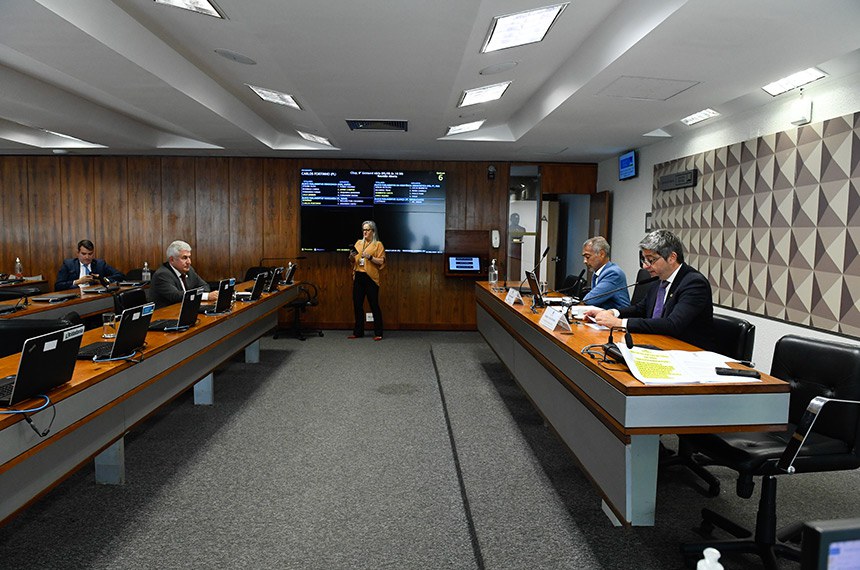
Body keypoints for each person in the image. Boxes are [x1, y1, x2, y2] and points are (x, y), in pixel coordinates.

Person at [585, 229, 716, 351]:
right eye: (643, 259)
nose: (645, 266)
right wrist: (612, 312)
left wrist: (620, 323)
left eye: (651, 260)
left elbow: (672, 324)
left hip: (686, 352)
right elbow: (640, 309)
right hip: (656, 344)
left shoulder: (694, 283)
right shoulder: (658, 280)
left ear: (672, 257)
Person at [150, 240, 218, 309]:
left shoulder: (188, 270)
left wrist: (199, 294)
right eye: (184, 258)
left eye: (189, 257)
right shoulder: (162, 274)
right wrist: (206, 296)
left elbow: (205, 286)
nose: (189, 262)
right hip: (166, 315)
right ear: (172, 260)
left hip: (185, 310)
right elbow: (176, 296)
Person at [348, 221, 385, 340]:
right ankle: (358, 332)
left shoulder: (378, 245)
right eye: (364, 229)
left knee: (374, 305)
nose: (365, 232)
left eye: (368, 230)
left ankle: (378, 333)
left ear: (373, 232)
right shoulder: (358, 243)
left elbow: (381, 261)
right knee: (357, 304)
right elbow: (352, 261)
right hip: (358, 276)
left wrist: (370, 257)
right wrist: (351, 257)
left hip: (371, 279)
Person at [580, 236, 629, 310]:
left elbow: (589, 300)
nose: (585, 261)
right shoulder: (598, 271)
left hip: (617, 317)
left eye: (587, 257)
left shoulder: (613, 273)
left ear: (601, 254)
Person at [55, 239, 124, 290]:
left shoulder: (100, 264)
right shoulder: (68, 264)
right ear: (78, 253)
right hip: (75, 297)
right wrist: (77, 281)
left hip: (96, 296)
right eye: (84, 254)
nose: (87, 257)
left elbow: (120, 275)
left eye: (90, 254)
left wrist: (103, 280)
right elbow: (58, 286)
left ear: (93, 253)